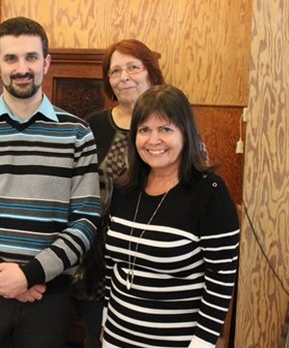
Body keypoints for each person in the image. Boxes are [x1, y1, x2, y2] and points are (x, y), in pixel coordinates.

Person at [0, 17, 102, 348]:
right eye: (11, 58)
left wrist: (30, 275)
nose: (22, 68)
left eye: (31, 57)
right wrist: (1, 273)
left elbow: (86, 220)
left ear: (46, 62)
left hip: (47, 294)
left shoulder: (78, 133)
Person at [102, 84, 239, 347]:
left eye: (165, 129)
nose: (153, 140)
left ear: (185, 133)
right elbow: (112, 265)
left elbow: (221, 279)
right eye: (144, 130)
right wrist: (106, 320)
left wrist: (202, 343)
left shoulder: (210, 192)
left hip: (178, 341)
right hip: (116, 335)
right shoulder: (124, 187)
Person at [72, 39, 165, 348]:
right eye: (115, 71)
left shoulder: (170, 122)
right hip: (96, 258)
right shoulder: (93, 125)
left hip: (151, 257)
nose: (123, 76)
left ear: (150, 72)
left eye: (133, 67)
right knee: (97, 339)